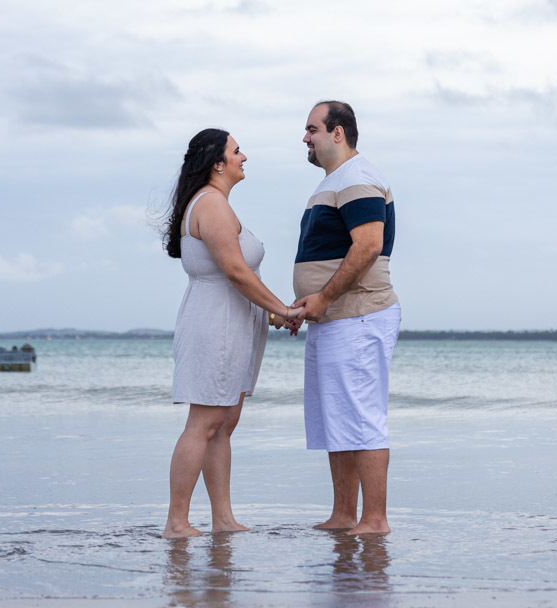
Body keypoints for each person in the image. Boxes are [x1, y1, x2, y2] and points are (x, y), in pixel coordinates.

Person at [161, 128, 302, 539]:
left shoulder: (214, 203)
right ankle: (177, 522)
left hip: (232, 322)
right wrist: (283, 309)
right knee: (203, 423)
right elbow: (237, 272)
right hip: (215, 325)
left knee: (223, 424)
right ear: (217, 163)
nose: (244, 157)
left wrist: (273, 314)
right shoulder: (211, 204)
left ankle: (222, 519)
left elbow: (242, 276)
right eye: (237, 151)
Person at [291, 101, 400, 536]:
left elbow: (368, 245)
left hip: (358, 315)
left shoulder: (358, 177)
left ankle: (374, 519)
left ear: (338, 133)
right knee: (336, 417)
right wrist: (306, 302)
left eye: (312, 128)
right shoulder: (334, 182)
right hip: (332, 318)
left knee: (362, 415)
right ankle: (343, 514)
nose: (305, 138)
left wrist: (324, 297)